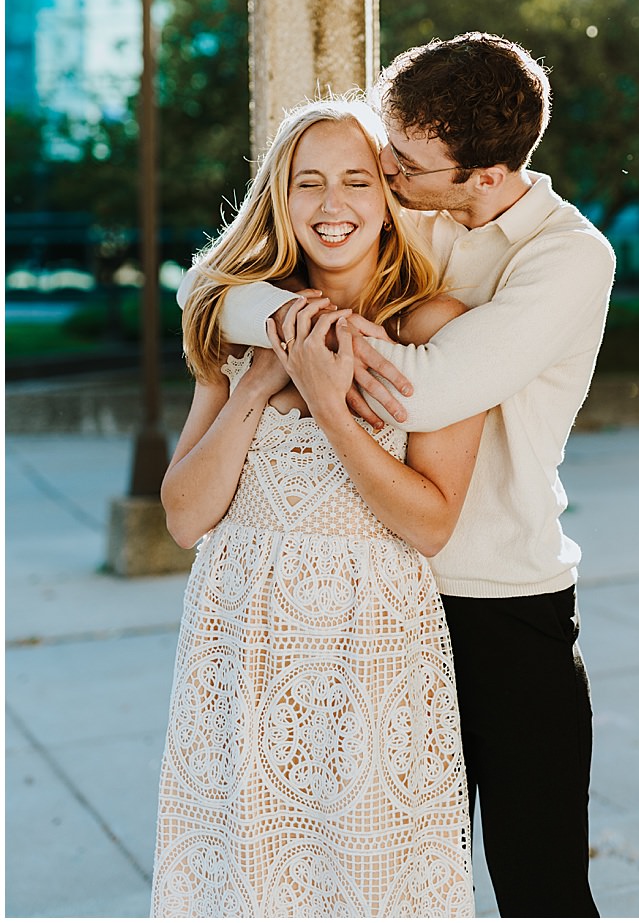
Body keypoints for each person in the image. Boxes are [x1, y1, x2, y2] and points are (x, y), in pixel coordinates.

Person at [179, 32, 616, 918]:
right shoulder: (416, 200)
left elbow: (428, 389)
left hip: (501, 599)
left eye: (402, 162)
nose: (383, 171)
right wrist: (276, 331)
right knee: (395, 878)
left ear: (480, 176)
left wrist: (299, 353)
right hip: (379, 607)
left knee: (541, 886)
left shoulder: (568, 258)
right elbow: (221, 283)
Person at [152, 96, 486, 919]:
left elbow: (430, 522)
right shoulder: (240, 322)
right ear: (280, 196)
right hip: (243, 646)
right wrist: (261, 382)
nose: (332, 207)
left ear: (388, 196)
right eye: (308, 183)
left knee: (371, 883)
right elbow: (186, 517)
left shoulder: (436, 329)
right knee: (247, 883)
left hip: (370, 650)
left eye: (356, 182)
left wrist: (333, 407)